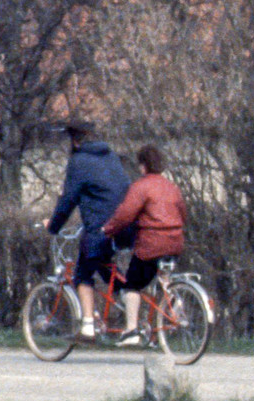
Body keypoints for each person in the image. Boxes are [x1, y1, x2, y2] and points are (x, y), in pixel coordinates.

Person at [46, 122, 133, 342]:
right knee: (103, 264)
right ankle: (125, 295)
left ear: (75, 141)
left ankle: (87, 327)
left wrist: (54, 226)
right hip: (126, 225)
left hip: (101, 228)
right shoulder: (111, 156)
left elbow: (68, 199)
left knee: (82, 274)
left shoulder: (78, 162)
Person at [99, 145, 189, 347]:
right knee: (162, 281)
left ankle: (131, 330)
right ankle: (174, 306)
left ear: (143, 165)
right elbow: (183, 214)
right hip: (174, 242)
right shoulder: (172, 187)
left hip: (152, 244)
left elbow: (125, 214)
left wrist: (107, 229)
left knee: (132, 285)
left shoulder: (141, 186)